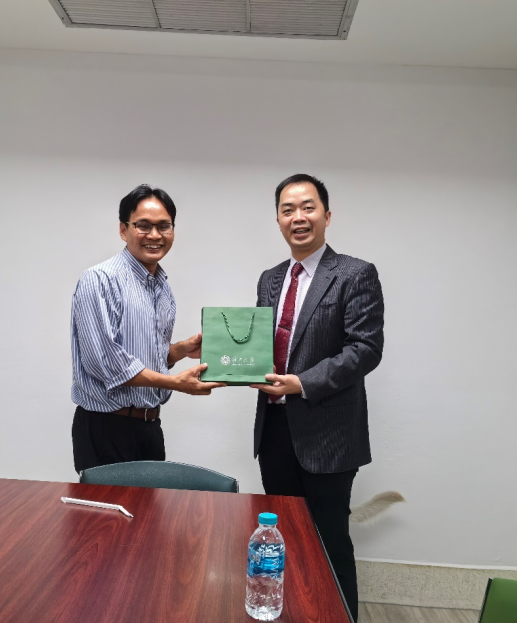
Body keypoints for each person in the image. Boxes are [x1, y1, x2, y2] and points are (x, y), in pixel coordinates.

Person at [250, 174, 385, 621]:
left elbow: (365, 349)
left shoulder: (354, 273)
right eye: (287, 210)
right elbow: (260, 344)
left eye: (308, 207)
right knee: (282, 539)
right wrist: (240, 366)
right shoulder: (270, 279)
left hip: (328, 436)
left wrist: (301, 383)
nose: (298, 217)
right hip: (274, 431)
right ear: (278, 220)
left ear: (327, 216)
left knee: (330, 544)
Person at [70, 184, 224, 475]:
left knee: (151, 506)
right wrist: (175, 383)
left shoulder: (162, 288)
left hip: (150, 426)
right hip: (106, 428)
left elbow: (141, 355)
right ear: (123, 229)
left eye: (164, 226)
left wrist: (179, 351)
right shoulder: (100, 279)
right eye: (143, 226)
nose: (154, 235)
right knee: (107, 507)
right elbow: (106, 363)